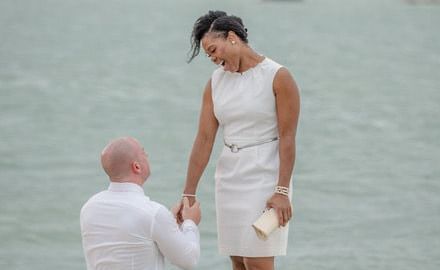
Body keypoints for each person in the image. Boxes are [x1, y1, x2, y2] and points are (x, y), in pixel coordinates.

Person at [182, 10, 300, 270]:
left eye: (214, 49)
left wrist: (282, 191)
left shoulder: (278, 76)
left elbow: (288, 137)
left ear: (232, 38)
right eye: (209, 56)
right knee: (238, 260)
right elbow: (203, 139)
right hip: (229, 176)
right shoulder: (215, 82)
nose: (213, 59)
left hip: (266, 174)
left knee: (256, 261)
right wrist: (188, 192)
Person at [80, 137, 201, 270]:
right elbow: (189, 260)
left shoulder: (89, 207)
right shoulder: (153, 213)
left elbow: (128, 237)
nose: (147, 155)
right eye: (143, 152)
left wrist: (169, 221)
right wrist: (190, 223)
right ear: (136, 167)